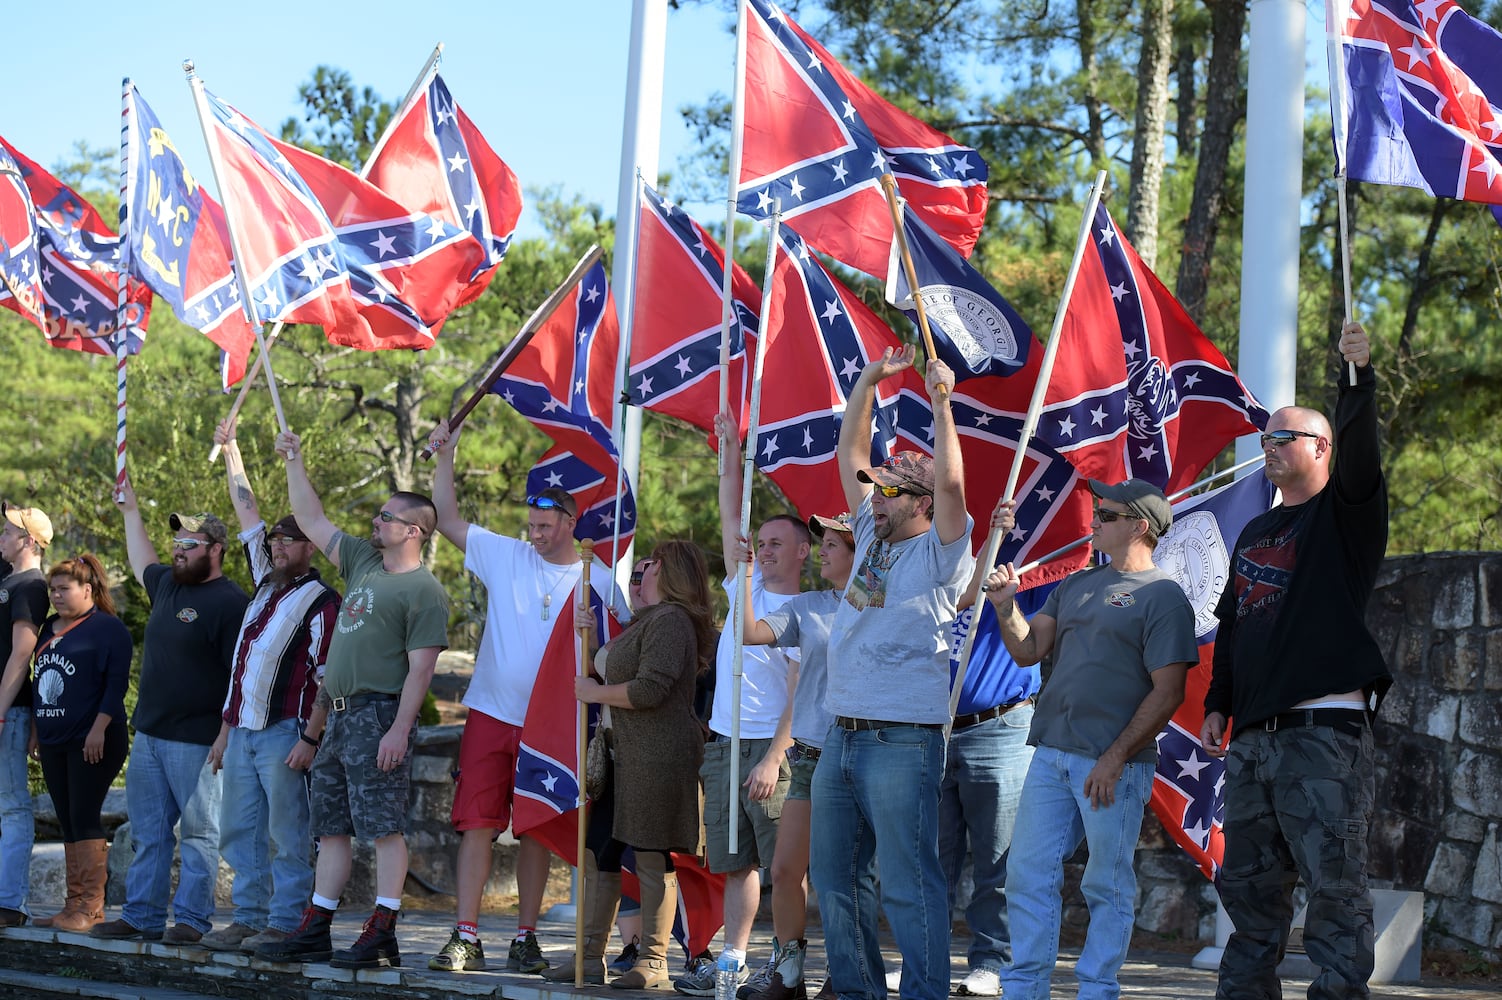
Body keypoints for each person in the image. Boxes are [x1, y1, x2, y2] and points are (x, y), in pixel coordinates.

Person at [1201, 321, 1391, 1000]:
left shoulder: (1346, 516)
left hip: (1323, 737)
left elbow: (1364, 458)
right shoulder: (1257, 529)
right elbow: (1232, 625)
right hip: (1253, 743)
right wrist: (1219, 700)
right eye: (1265, 437)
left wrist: (1357, 380)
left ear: (1321, 448)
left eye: (1284, 437)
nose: (1269, 446)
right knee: (1249, 896)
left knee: (1335, 891)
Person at [983, 479, 1197, 1000]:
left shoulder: (1164, 597)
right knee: (1026, 874)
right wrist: (1005, 606)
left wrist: (1116, 756)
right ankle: (1024, 989)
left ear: (1139, 526)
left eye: (1106, 513)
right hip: (1050, 753)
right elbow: (1029, 651)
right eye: (1097, 510)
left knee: (1106, 882)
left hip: (1114, 765)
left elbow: (1168, 692)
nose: (1095, 519)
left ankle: (1098, 990)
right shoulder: (1076, 583)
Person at [423, 422, 624, 975]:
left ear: (569, 523)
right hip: (491, 710)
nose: (533, 534)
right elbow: (446, 516)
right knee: (477, 823)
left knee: (536, 826)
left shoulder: (597, 577)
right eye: (530, 524)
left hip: (553, 724)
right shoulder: (506, 555)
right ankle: (465, 935)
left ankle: (525, 937)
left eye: (543, 525)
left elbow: (619, 649)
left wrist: (593, 634)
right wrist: (448, 455)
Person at [812, 345, 975, 1000]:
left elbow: (956, 487)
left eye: (888, 491)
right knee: (835, 880)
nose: (873, 496)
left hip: (903, 740)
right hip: (840, 735)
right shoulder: (870, 531)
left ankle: (926, 994)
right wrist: (865, 383)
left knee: (908, 885)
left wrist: (941, 403)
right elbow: (849, 451)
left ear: (920, 503)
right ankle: (857, 992)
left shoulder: (942, 552)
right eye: (874, 491)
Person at [254, 429, 449, 970]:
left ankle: (383, 927)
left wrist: (399, 729)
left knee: (383, 826)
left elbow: (421, 670)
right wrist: (295, 460)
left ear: (414, 530)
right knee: (331, 827)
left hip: (379, 714)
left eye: (387, 517)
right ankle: (317, 926)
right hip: (338, 717)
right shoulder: (363, 561)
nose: (376, 522)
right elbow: (313, 521)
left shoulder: (425, 591)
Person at [673, 413, 807, 998]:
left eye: (778, 543)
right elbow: (733, 514)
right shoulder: (743, 585)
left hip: (769, 751)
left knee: (784, 869)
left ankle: (787, 964)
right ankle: (734, 961)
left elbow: (802, 697)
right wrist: (730, 448)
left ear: (804, 552)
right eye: (764, 542)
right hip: (724, 744)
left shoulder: (808, 611)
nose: (766, 549)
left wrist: (775, 757)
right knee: (734, 864)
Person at [200, 419, 340, 952]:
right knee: (239, 830)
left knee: (287, 834)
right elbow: (247, 512)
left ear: (311, 546)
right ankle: (249, 917)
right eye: (277, 539)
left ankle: (285, 923)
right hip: (242, 730)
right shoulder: (265, 580)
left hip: (286, 732)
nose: (278, 545)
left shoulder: (323, 601)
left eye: (291, 539)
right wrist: (232, 448)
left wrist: (310, 738)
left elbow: (328, 677)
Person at [94, 483, 248, 944]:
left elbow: (238, 679)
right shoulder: (165, 585)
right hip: (150, 736)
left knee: (200, 836)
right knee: (148, 833)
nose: (178, 550)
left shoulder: (231, 603)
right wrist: (131, 511)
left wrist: (224, 735)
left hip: (198, 741)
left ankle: (192, 922)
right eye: (176, 543)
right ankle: (140, 917)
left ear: (216, 550)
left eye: (189, 543)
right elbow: (141, 556)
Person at [571, 539, 714, 989]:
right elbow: (619, 671)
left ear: (671, 575)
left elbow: (650, 689)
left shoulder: (672, 621)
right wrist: (591, 638)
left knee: (651, 855)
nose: (643, 570)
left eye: (652, 564)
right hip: (621, 756)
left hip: (656, 758)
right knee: (600, 852)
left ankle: (653, 963)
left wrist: (594, 693)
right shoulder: (645, 621)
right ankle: (589, 957)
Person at [734, 509, 855, 1000]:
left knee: (841, 877)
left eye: (832, 544)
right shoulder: (807, 605)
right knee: (784, 870)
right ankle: (787, 974)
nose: (821, 550)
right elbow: (749, 632)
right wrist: (744, 575)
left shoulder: (878, 602)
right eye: (820, 542)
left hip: (856, 753)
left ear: (857, 551)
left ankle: (846, 974)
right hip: (807, 757)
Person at [937, 567, 1043, 997]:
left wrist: (1005, 596)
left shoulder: (1032, 560)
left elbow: (1035, 642)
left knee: (999, 858)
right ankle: (924, 959)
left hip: (1000, 725)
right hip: (933, 726)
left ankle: (991, 961)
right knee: (930, 856)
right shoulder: (942, 559)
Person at [27, 554, 130, 931]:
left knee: (84, 815)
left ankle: (91, 907)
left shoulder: (107, 629)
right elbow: (40, 681)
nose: (56, 595)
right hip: (54, 738)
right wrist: (37, 730)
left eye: (63, 589)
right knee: (67, 818)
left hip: (95, 739)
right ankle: (71, 906)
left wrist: (99, 727)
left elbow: (116, 685)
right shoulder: (48, 628)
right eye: (52, 589)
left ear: (87, 589)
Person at [0, 503, 51, 927]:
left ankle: (10, 903)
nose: (1, 537)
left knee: (13, 807)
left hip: (9, 712)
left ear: (28, 542)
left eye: (7, 532)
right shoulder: (8, 578)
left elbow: (21, 654)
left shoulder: (31, 586)